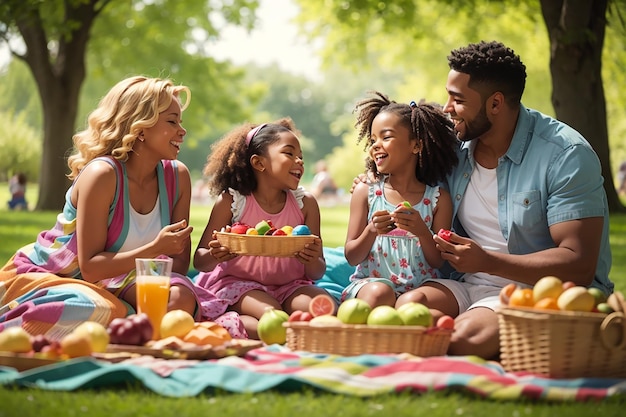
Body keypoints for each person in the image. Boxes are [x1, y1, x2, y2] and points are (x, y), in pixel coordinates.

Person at [396, 41, 613, 359]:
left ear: (495, 104)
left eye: (458, 100)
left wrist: (488, 262)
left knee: (463, 339)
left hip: (537, 291)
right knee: (408, 308)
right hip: (468, 282)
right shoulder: (457, 147)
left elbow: (578, 264)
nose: (446, 108)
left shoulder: (565, 155)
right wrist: (371, 181)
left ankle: (471, 333)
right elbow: (403, 159)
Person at [1, 76, 245, 339]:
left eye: (180, 122)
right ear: (140, 127)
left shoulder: (177, 177)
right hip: (65, 276)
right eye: (172, 121)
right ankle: (127, 318)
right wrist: (155, 249)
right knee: (85, 307)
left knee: (180, 299)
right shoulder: (102, 175)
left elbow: (178, 266)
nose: (182, 131)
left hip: (124, 279)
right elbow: (91, 267)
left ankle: (124, 318)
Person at [193, 118, 329, 339]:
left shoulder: (306, 204)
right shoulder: (233, 201)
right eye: (289, 153)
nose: (300, 161)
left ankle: (247, 328)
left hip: (290, 285)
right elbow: (199, 261)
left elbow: (317, 271)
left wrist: (312, 259)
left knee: (321, 309)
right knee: (272, 315)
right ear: (259, 163)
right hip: (240, 285)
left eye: (301, 156)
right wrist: (216, 254)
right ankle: (235, 322)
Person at [342, 92, 459, 309]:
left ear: (416, 146)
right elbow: (351, 256)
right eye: (373, 139)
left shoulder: (437, 199)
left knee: (422, 304)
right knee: (380, 294)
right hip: (372, 284)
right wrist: (371, 231)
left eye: (386, 137)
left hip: (420, 286)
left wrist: (423, 231)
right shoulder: (365, 192)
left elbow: (437, 261)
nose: (376, 145)